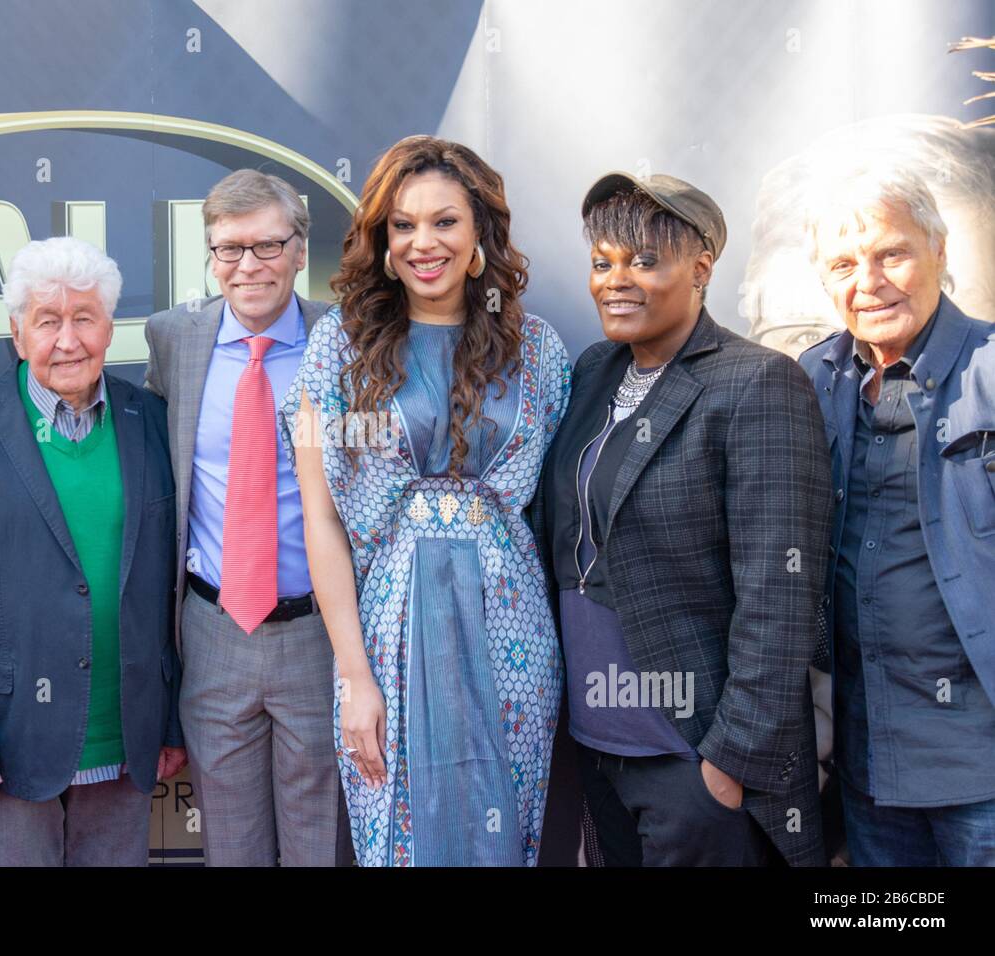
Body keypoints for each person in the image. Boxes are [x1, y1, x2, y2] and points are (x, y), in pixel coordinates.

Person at [282, 136, 570, 866]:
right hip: (389, 632)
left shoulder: (538, 350)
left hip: (514, 630)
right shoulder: (337, 351)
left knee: (508, 828)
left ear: (480, 236)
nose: (423, 242)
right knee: (401, 828)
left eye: (444, 222)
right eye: (403, 225)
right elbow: (320, 519)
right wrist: (354, 676)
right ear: (381, 241)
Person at [534, 173, 833, 866]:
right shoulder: (592, 371)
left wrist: (727, 765)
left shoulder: (755, 381)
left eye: (644, 261)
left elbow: (781, 594)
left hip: (692, 756)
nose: (617, 281)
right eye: (603, 263)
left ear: (701, 268)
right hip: (598, 746)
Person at [0, 237, 185, 866]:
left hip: (128, 729)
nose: (68, 340)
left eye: (84, 318)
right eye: (47, 320)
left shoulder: (153, 420)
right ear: (16, 332)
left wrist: (168, 722)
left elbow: (170, 581)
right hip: (11, 737)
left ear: (111, 329)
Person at [798, 162, 995, 866]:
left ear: (940, 251)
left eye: (891, 254)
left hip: (982, 771)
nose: (869, 282)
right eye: (844, 264)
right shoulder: (814, 381)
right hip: (868, 769)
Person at [142, 169, 341, 866]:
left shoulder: (345, 341)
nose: (247, 266)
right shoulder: (172, 339)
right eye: (228, 249)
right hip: (212, 630)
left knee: (319, 842)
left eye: (266, 246)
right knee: (231, 847)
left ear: (298, 250)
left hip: (319, 631)